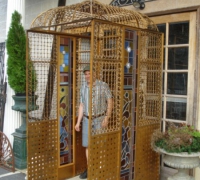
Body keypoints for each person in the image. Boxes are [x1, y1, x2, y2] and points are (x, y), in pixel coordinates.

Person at [75, 65, 113, 179]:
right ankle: (90, 168)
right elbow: (81, 105)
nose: (87, 76)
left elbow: (110, 101)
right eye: (86, 74)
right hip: (87, 120)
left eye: (89, 73)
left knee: (100, 145)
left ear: (95, 73)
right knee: (88, 146)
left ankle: (100, 170)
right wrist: (78, 122)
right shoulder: (83, 87)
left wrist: (107, 117)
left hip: (100, 119)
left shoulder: (103, 85)